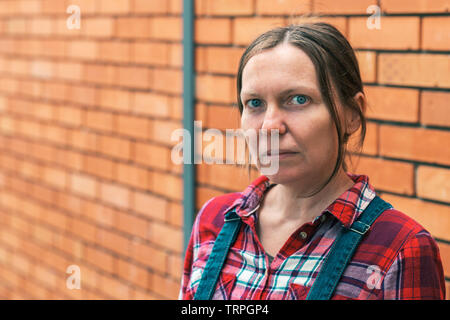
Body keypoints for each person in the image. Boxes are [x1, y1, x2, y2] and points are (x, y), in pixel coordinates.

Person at [179, 23, 445, 300]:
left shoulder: (400, 249)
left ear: (352, 114)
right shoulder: (216, 220)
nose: (270, 127)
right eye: (255, 103)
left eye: (298, 99)